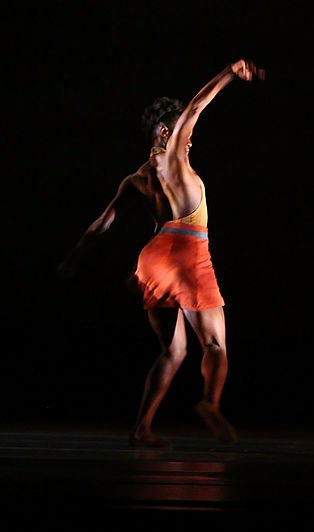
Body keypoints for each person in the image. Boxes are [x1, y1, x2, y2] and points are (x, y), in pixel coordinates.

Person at [65, 59, 262, 447]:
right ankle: (209, 403)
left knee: (172, 352)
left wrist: (75, 256)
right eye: (182, 134)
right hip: (186, 253)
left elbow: (102, 224)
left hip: (152, 259)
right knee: (215, 345)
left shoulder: (135, 178)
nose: (190, 141)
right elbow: (196, 106)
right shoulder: (174, 156)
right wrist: (229, 74)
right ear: (165, 131)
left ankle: (141, 429)